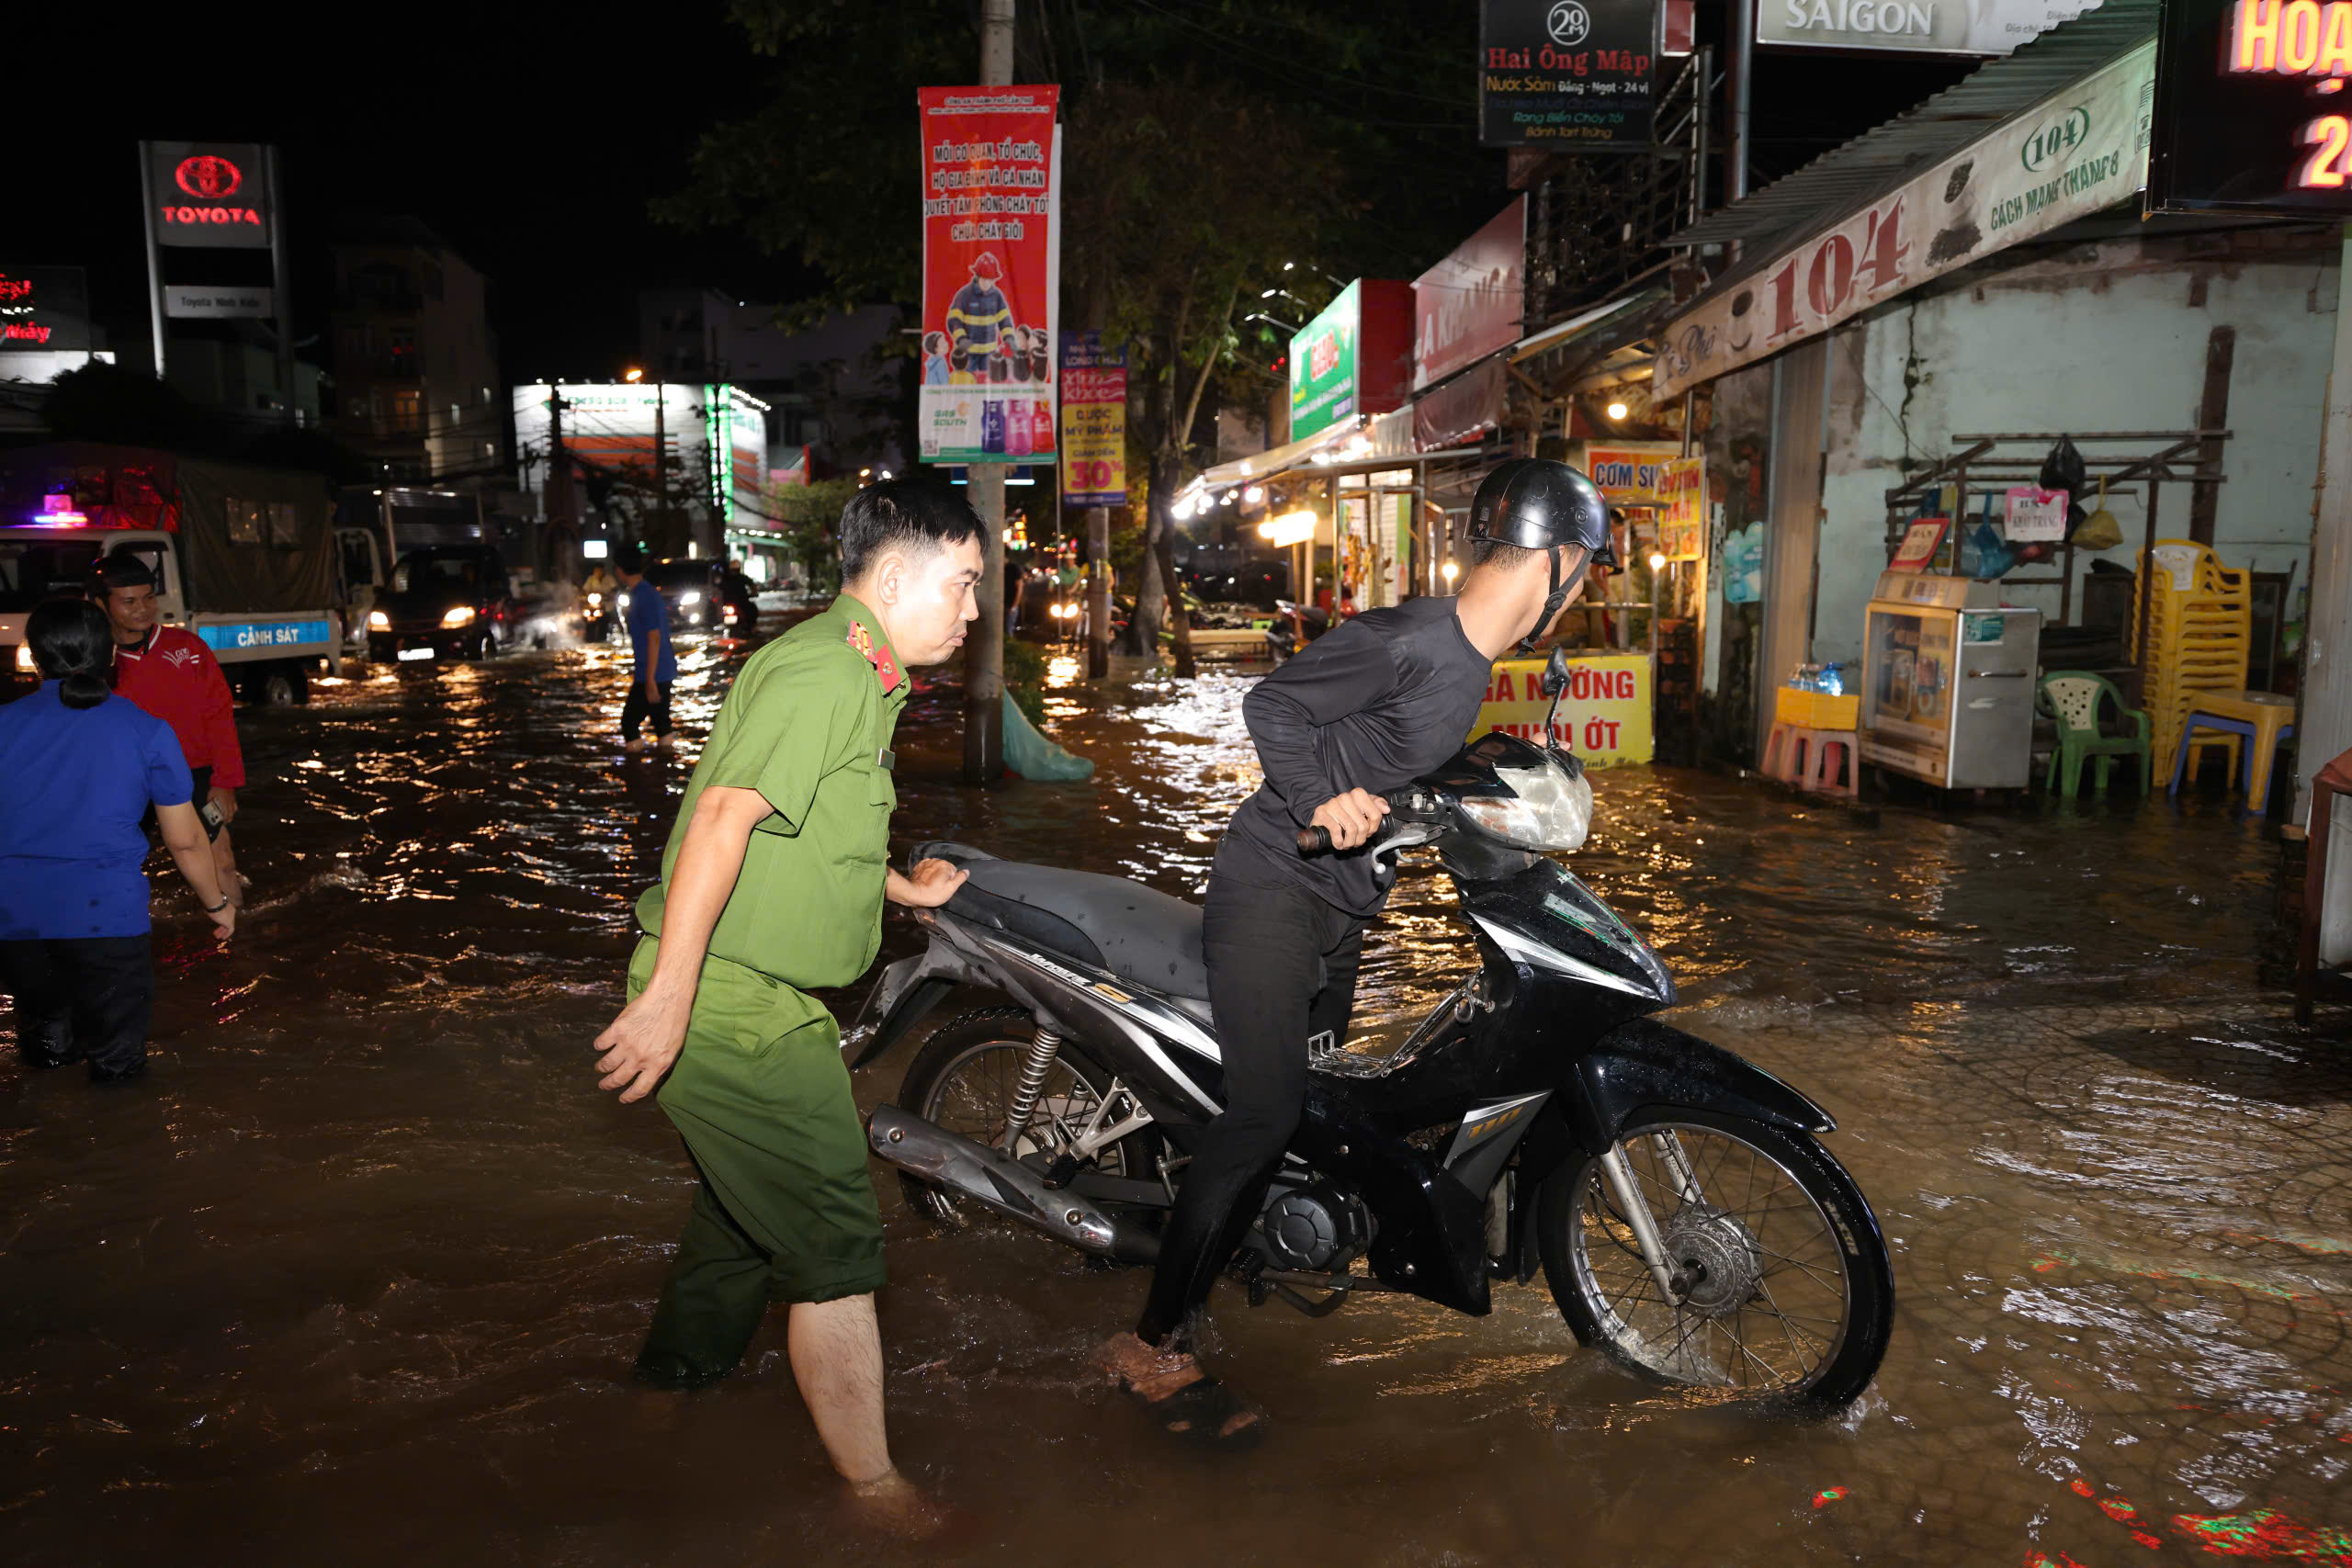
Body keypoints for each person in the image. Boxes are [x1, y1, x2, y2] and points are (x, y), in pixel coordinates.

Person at [1095, 458, 1615, 1444]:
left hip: (1340, 909)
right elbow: (1273, 706)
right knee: (1265, 1112)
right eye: (1583, 571)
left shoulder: (1472, 664)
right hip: (1271, 892)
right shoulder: (1409, 640)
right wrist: (1317, 799)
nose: (1582, 591)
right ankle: (1150, 1342)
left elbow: (1399, 760)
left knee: (1320, 1101)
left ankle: (1258, 1236)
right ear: (1555, 562)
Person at [591, 480, 983, 1533]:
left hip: (753, 996)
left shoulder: (857, 670)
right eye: (962, 583)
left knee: (740, 1227)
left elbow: (809, 826)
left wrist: (900, 888)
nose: (973, 609)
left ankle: (656, 1410)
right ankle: (877, 1496)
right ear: (892, 579)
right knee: (835, 1245)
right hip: (734, 1001)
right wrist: (670, 1000)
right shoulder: (828, 673)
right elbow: (722, 818)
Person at [1, 601, 237, 1084]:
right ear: (111, 654)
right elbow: (186, 841)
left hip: (15, 922)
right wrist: (217, 904)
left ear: (34, 657)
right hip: (105, 920)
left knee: (44, 1057)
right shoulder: (146, 729)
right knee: (118, 1069)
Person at [93, 550, 247, 908]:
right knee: (118, 867)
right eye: (129, 601)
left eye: (149, 598)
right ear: (101, 604)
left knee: (221, 861)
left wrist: (225, 782)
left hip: (194, 775)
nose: (143, 609)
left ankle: (238, 931)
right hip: (124, 782)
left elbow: (220, 716)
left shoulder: (187, 648)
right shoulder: (94, 662)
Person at [615, 544, 676, 753]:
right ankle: (665, 765)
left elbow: (654, 637)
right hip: (661, 669)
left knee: (629, 723)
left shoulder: (643, 596)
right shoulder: (646, 593)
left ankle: (636, 769)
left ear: (620, 570)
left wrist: (649, 679)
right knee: (661, 723)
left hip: (651, 672)